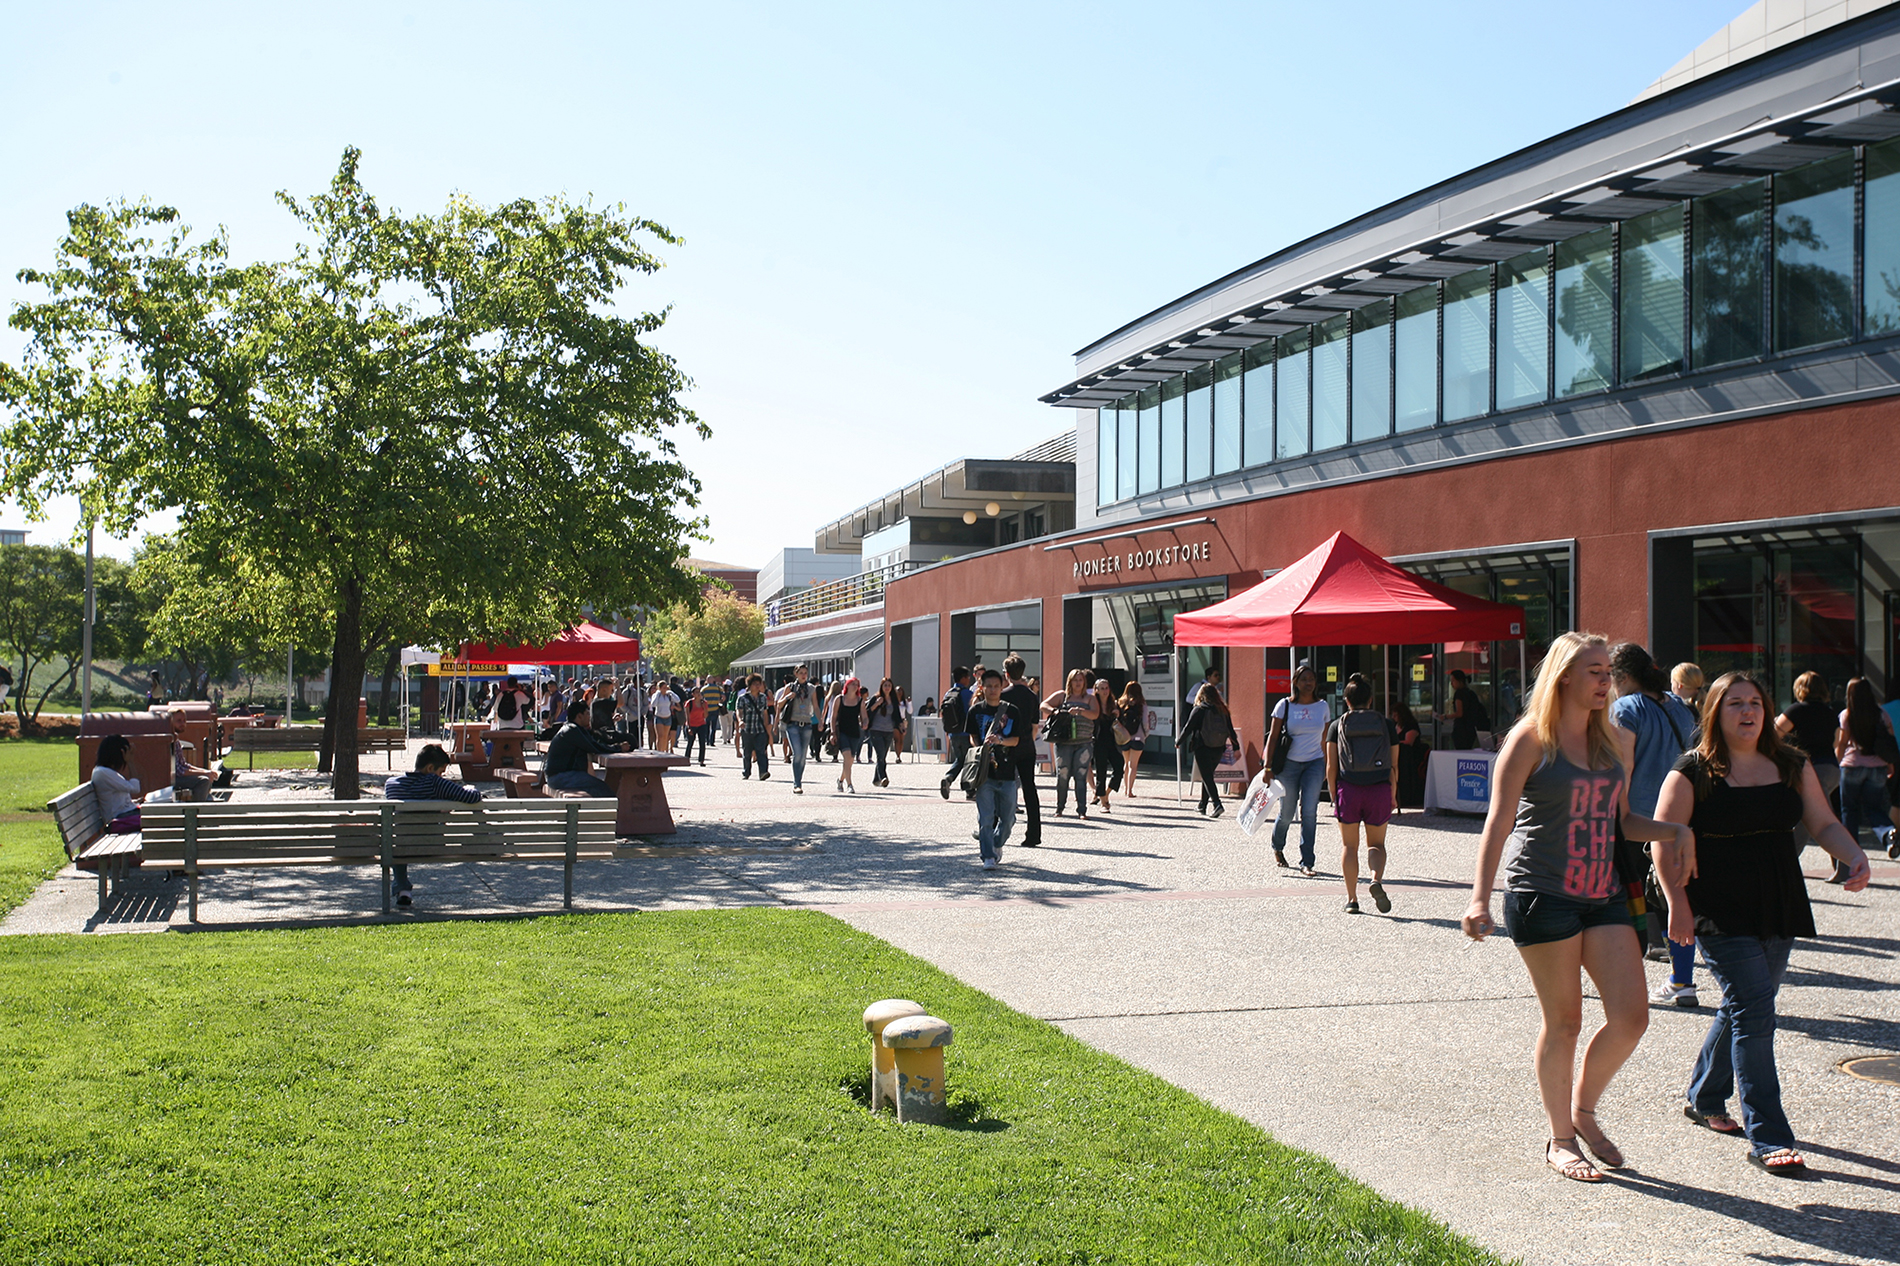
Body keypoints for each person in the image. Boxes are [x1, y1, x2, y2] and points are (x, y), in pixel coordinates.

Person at [1461, 632, 1696, 1183]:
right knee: (1565, 1020)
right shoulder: (1529, 740)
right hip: (1543, 896)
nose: (1604, 682)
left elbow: (1624, 824)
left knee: (1632, 1016)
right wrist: (1478, 897)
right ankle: (1560, 1138)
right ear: (1564, 675)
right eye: (1594, 672)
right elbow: (1498, 822)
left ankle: (1584, 1111)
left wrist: (1675, 828)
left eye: (1607, 674)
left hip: (1606, 892)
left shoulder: (1616, 740)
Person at [1652, 671, 1870, 1174]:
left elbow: (1822, 821)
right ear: (1713, 712)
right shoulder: (1691, 772)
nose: (1747, 711)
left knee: (1746, 1004)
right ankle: (1768, 1135)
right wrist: (1677, 906)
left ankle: (1705, 1095)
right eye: (1734, 704)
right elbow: (1665, 842)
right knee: (1755, 1010)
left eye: (1754, 702)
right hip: (1716, 904)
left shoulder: (1790, 764)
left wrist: (1853, 856)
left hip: (1777, 899)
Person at [1607, 643, 1700, 1007]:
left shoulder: (1625, 709)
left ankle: (1624, 984)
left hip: (1637, 819)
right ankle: (1682, 981)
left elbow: (1622, 768)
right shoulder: (1679, 706)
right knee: (1673, 898)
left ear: (1623, 677)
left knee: (1626, 900)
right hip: (1679, 817)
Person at [1326, 675, 1400, 913]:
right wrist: (1393, 793)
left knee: (1349, 846)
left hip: (1349, 788)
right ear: (1371, 699)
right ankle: (1376, 880)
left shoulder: (1337, 725)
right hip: (1378, 787)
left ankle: (1351, 900)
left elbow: (1331, 766)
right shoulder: (1386, 724)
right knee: (1376, 844)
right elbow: (1394, 765)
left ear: (1346, 701)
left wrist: (1333, 795)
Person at [383, 744, 483, 907]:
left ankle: (403, 890)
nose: (441, 776)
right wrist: (470, 788)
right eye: (441, 772)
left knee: (399, 839)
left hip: (401, 847)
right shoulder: (435, 783)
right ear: (430, 768)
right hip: (432, 846)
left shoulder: (392, 784)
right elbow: (471, 797)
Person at [1267, 664, 1330, 875]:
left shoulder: (1322, 706)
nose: (1308, 682)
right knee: (1287, 812)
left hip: (1314, 763)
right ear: (1295, 682)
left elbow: (1325, 740)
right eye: (1304, 679)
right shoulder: (1284, 705)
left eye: (1311, 679)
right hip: (1289, 765)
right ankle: (1277, 845)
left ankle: (1307, 861)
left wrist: (1327, 766)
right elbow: (1273, 738)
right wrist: (1267, 766)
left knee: (1309, 812)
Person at [1833, 676, 1896, 883]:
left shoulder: (1847, 715)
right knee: (1874, 808)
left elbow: (1842, 743)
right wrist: (1889, 764)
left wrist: (1837, 761)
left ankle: (1853, 857)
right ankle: (1889, 835)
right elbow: (1889, 741)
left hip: (1852, 767)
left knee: (1849, 811)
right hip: (1877, 767)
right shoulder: (1881, 714)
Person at [966, 668, 1026, 870]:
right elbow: (972, 736)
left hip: (1008, 772)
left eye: (996, 686)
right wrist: (979, 749)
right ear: (982, 687)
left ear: (1002, 687)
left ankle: (997, 843)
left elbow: (1016, 740)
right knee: (986, 817)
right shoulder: (975, 711)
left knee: (1009, 818)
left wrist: (1000, 740)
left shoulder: (1012, 711)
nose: (992, 690)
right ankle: (988, 856)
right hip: (985, 774)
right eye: (988, 686)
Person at [1041, 668, 1101, 819]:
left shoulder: (1090, 698)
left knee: (1080, 775)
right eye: (1075, 680)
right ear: (1070, 681)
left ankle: (1082, 810)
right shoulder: (1062, 696)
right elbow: (1043, 705)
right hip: (1063, 742)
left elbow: (1095, 714)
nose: (1078, 683)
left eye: (1080, 680)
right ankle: (1059, 808)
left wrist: (1080, 711)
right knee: (1063, 774)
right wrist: (1055, 711)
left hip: (1084, 742)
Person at [999, 656, 1043, 847]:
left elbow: (998, 722)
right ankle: (1034, 833)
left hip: (1008, 746)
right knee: (1029, 789)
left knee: (1001, 786)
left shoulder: (1003, 695)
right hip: (1027, 745)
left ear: (1006, 674)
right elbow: (1035, 725)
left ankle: (996, 827)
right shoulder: (1032, 696)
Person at [1178, 681, 1237, 818]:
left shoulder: (1200, 709)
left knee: (1207, 776)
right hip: (1218, 747)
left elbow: (1188, 727)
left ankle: (1217, 804)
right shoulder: (1223, 710)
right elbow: (1230, 730)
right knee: (1208, 774)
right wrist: (1236, 746)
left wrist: (1179, 741)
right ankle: (1202, 805)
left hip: (1202, 746)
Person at [544, 701, 628, 795]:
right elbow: (594, 747)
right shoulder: (572, 730)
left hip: (558, 775)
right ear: (579, 716)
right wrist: (618, 748)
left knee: (597, 787)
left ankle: (607, 807)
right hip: (560, 777)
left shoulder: (572, 728)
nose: (589, 717)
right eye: (587, 714)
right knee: (602, 788)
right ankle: (616, 808)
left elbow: (593, 742)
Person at [775, 665, 821, 793]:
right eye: (801, 673)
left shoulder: (811, 688)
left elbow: (815, 706)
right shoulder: (790, 687)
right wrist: (788, 696)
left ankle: (799, 779)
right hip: (793, 724)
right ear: (796, 674)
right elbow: (779, 704)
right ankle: (797, 783)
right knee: (797, 753)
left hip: (806, 724)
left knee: (803, 756)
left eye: (805, 673)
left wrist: (820, 721)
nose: (803, 675)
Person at [90, 735, 144, 833]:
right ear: (121, 753)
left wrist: (136, 802)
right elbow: (135, 789)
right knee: (158, 819)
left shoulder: (106, 772)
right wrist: (130, 762)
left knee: (163, 813)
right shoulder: (103, 772)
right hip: (118, 819)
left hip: (126, 814)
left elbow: (118, 799)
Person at [735, 673, 776, 781]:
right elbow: (739, 711)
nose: (757, 686)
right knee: (747, 752)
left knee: (761, 751)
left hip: (759, 729)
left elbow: (765, 713)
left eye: (759, 684)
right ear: (749, 685)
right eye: (755, 684)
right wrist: (740, 721)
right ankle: (746, 771)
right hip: (747, 729)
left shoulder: (763, 698)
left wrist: (767, 727)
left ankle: (763, 772)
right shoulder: (742, 698)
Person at [830, 676, 867, 793]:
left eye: (857, 684)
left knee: (850, 760)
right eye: (853, 684)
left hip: (855, 732)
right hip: (842, 732)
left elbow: (864, 716)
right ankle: (850, 784)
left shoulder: (860, 701)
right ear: (847, 685)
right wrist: (832, 733)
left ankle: (840, 780)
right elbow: (833, 716)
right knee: (847, 756)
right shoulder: (839, 699)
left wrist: (865, 723)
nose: (855, 686)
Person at [1090, 677, 1121, 812]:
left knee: (1119, 767)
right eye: (1101, 688)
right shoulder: (1093, 704)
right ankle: (1104, 803)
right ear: (1096, 690)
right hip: (1098, 741)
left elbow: (1122, 721)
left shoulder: (1113, 704)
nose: (1105, 691)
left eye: (1106, 688)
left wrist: (1118, 714)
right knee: (1101, 771)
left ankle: (1105, 794)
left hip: (1112, 741)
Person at [1390, 700, 1429, 808]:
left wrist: (1396, 742)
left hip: (1410, 756)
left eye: (1396, 715)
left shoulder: (1411, 725)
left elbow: (1409, 742)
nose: (1394, 717)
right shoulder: (1395, 725)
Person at [1115, 683, 1150, 802]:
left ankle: (1125, 789)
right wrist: (1146, 734)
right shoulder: (1142, 704)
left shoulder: (1121, 702)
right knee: (1133, 765)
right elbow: (1145, 721)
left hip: (1124, 737)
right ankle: (1130, 790)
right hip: (1138, 737)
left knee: (1126, 763)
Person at [1441, 668, 1490, 751]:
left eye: (1453, 681)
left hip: (1461, 729)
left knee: (1461, 750)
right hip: (1471, 728)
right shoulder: (1471, 693)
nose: (1452, 684)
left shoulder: (1459, 694)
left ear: (1460, 681)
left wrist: (1446, 716)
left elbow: (1459, 713)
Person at [865, 678, 899, 787]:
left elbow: (897, 715)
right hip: (876, 730)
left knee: (883, 756)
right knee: (880, 755)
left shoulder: (893, 700)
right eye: (885, 685)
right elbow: (867, 711)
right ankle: (884, 777)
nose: (887, 687)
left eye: (889, 685)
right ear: (881, 687)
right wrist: (877, 704)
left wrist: (901, 725)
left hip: (888, 731)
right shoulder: (876, 698)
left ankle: (876, 779)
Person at [942, 668, 973, 768]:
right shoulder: (967, 694)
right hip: (966, 733)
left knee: (959, 759)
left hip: (953, 732)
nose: (969, 679)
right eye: (967, 677)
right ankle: (966, 781)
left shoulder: (948, 694)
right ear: (963, 678)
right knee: (968, 761)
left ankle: (949, 777)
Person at [682, 686, 710, 765]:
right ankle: (686, 758)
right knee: (690, 742)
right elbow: (687, 716)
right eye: (696, 692)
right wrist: (688, 727)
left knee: (702, 742)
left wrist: (704, 707)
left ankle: (701, 760)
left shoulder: (704, 703)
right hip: (692, 724)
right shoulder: (689, 703)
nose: (698, 694)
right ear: (693, 694)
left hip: (701, 724)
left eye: (699, 692)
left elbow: (705, 716)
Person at [648, 678, 676, 754]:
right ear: (659, 688)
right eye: (663, 688)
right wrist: (657, 694)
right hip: (659, 717)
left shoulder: (668, 696)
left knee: (665, 737)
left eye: (665, 687)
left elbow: (677, 700)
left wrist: (670, 692)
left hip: (668, 717)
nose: (665, 689)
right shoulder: (656, 695)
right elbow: (653, 704)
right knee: (660, 736)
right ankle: (659, 751)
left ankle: (663, 751)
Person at [891, 685, 911, 764]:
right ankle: (897, 756)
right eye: (897, 691)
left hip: (903, 721)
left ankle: (900, 754)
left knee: (901, 740)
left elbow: (910, 711)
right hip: (895, 721)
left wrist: (910, 703)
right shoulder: (893, 702)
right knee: (896, 739)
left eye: (900, 691)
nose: (899, 692)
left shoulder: (904, 702)